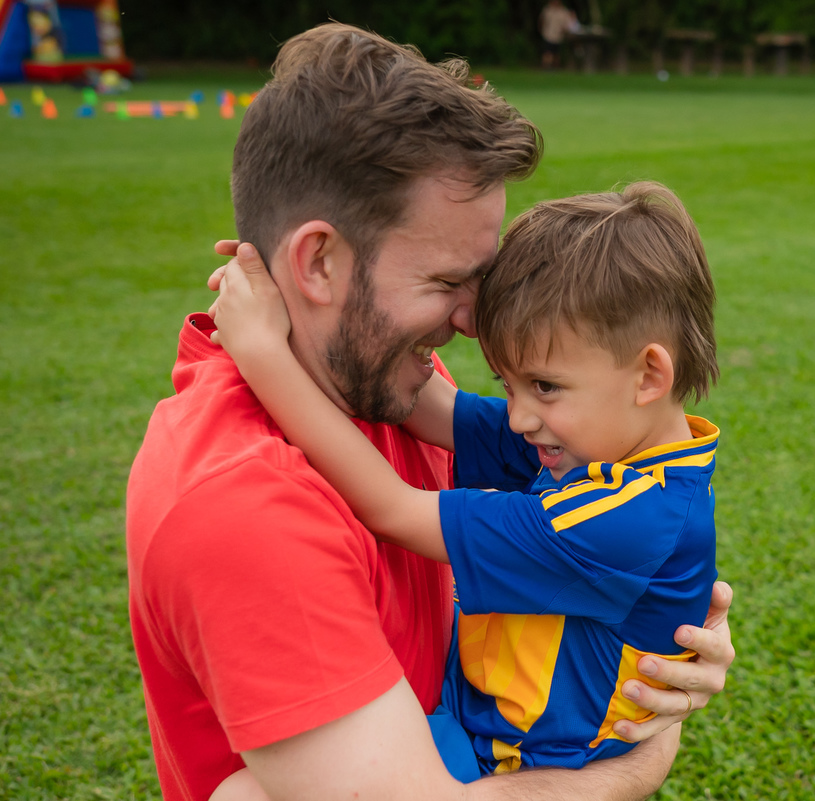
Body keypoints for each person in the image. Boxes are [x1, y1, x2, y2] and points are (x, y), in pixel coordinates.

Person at [124, 22, 734, 801]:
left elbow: (426, 481)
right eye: (449, 280)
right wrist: (644, 752)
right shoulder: (242, 503)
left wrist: (657, 642)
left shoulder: (394, 376)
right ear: (318, 262)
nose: (475, 321)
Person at [208, 181, 719, 781]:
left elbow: (395, 510)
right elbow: (444, 412)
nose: (520, 418)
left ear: (649, 375)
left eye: (544, 386)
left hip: (515, 756)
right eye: (509, 385)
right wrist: (319, 297)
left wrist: (262, 350)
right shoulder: (607, 446)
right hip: (480, 718)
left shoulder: (628, 517)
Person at [538, 0, 578, 68]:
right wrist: (542, 30)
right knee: (547, 53)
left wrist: (565, 30)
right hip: (548, 35)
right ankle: (546, 67)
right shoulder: (547, 10)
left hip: (558, 36)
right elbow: (541, 20)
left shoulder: (563, 11)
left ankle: (555, 68)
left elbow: (568, 24)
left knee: (556, 54)